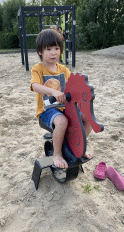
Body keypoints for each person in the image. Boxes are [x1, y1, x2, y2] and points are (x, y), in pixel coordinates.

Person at [30, 29, 92, 169]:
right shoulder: (38, 69)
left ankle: (78, 147)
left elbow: (74, 85)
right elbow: (35, 86)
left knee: (88, 119)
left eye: (57, 48)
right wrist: (52, 91)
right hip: (47, 110)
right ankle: (57, 154)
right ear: (40, 51)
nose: (53, 53)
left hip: (65, 108)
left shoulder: (63, 69)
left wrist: (84, 90)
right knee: (62, 121)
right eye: (49, 49)